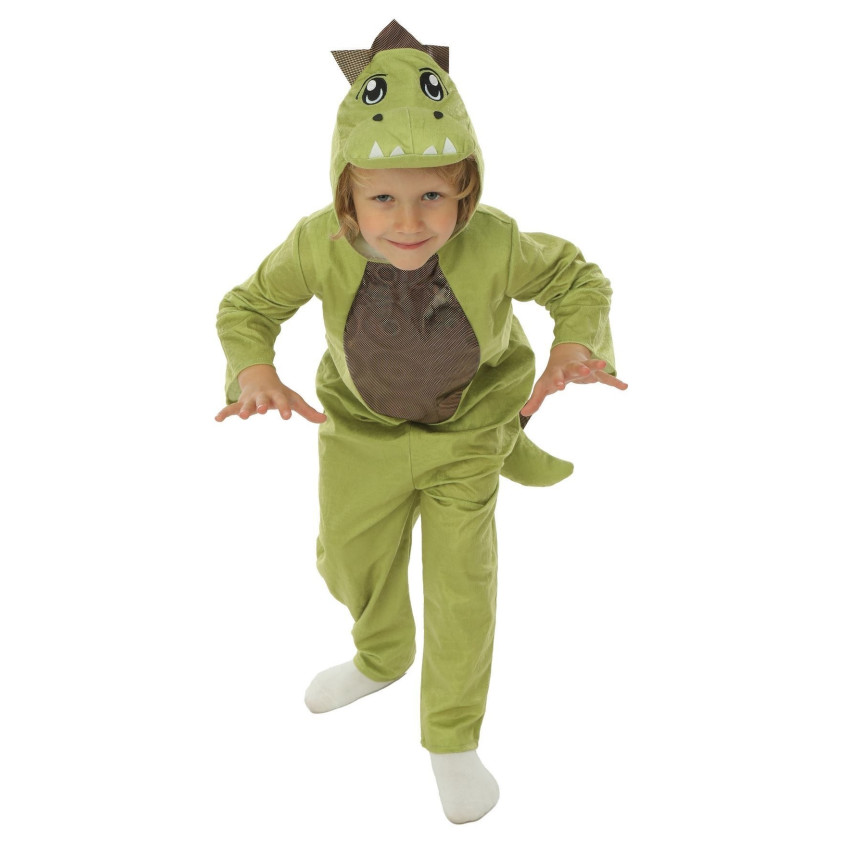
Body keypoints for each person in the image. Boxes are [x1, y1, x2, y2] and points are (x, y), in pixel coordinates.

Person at [215, 20, 627, 824]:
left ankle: (452, 737)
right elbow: (249, 305)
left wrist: (575, 345)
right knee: (347, 558)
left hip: (467, 435)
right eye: (383, 199)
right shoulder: (315, 242)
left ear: (465, 191)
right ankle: (381, 655)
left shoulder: (498, 240)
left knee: (461, 583)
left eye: (432, 196)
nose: (408, 221)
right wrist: (253, 369)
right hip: (359, 433)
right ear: (348, 197)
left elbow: (577, 278)